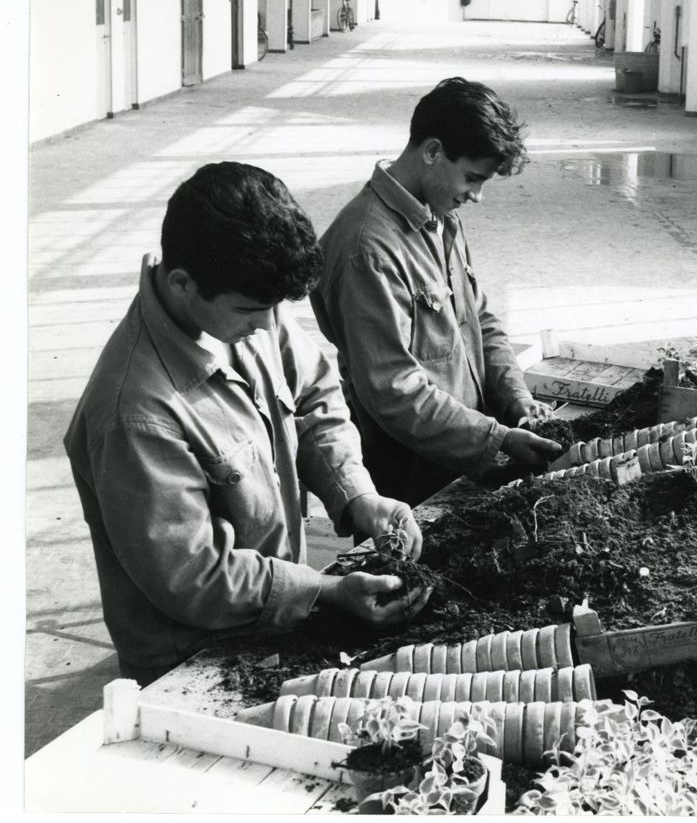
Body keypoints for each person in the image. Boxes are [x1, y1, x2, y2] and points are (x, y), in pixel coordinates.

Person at [63, 162, 428, 687]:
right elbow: (194, 578)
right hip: (193, 662)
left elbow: (315, 394)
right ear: (183, 282)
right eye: (253, 311)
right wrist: (326, 591)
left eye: (275, 308)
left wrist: (355, 494)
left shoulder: (246, 303)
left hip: (278, 621)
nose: (268, 325)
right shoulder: (135, 413)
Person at [311, 77, 561, 509]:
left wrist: (517, 401)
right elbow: (394, 391)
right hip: (411, 482)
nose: (477, 196)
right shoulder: (366, 251)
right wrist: (495, 439)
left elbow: (481, 321)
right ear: (432, 152)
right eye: (472, 178)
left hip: (468, 456)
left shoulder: (441, 217)